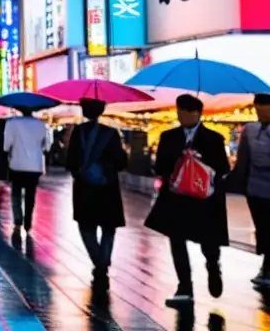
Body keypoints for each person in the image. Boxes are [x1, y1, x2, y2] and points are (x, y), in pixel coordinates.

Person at [144, 93, 230, 307]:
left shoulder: (213, 139)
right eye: (179, 111)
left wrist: (201, 164)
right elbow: (160, 167)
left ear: (196, 113)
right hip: (177, 198)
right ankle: (184, 286)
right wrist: (179, 161)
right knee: (177, 240)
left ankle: (213, 266)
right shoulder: (168, 137)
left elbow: (223, 168)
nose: (180, 116)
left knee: (208, 240)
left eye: (184, 112)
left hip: (204, 199)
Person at [64, 99, 127, 289]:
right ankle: (103, 265)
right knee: (108, 228)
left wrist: (82, 172)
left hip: (85, 188)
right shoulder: (111, 133)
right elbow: (121, 162)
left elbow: (71, 161)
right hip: (108, 188)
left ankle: (99, 264)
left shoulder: (78, 132)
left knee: (87, 228)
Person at [231, 93, 270, 287]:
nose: (260, 114)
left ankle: (267, 268)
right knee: (262, 228)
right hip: (255, 188)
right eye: (258, 110)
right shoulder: (250, 129)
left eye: (264, 110)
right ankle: (265, 264)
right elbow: (243, 159)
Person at [3, 107, 51, 234]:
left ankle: (18, 221)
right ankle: (28, 222)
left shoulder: (12, 123)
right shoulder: (41, 125)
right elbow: (46, 146)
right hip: (34, 165)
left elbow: (6, 145)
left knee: (16, 193)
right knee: (31, 194)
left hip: (16, 163)